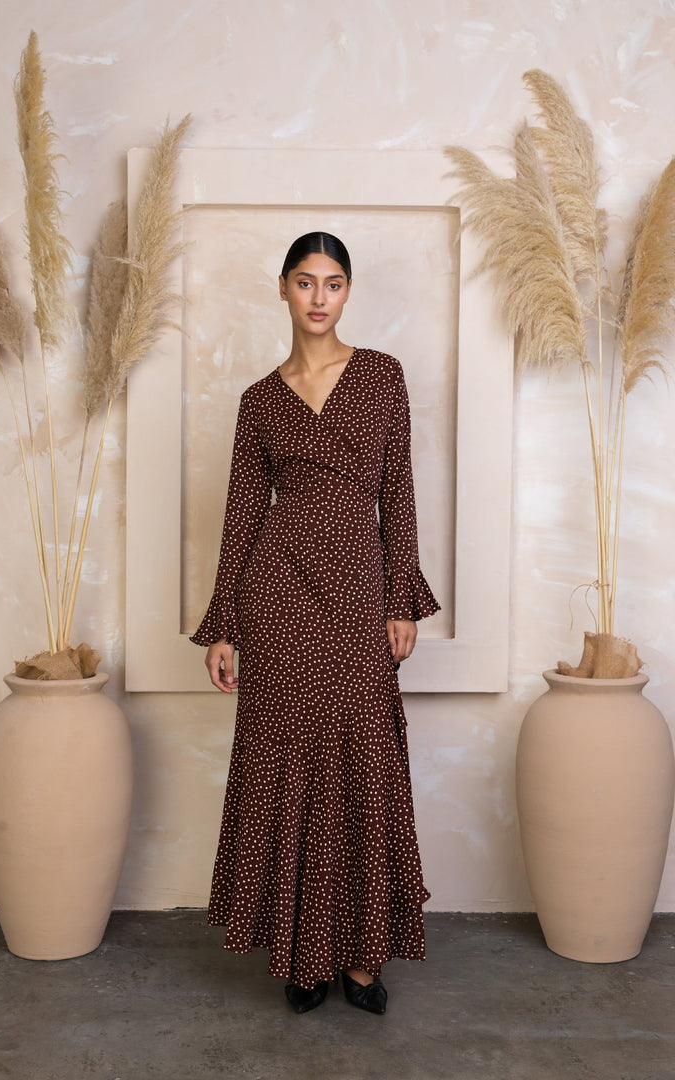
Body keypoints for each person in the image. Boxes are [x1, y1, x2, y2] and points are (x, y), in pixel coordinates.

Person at [190, 231, 440, 1015]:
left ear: (348, 291)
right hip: (278, 591)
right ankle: (304, 954)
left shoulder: (381, 377)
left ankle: (361, 956)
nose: (320, 297)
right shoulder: (259, 400)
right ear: (284, 289)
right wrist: (225, 622)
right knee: (288, 761)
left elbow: (397, 492)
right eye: (306, 282)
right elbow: (238, 519)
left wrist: (400, 597)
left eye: (334, 283)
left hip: (360, 586)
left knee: (362, 755)